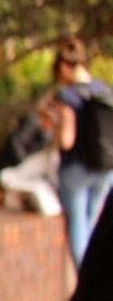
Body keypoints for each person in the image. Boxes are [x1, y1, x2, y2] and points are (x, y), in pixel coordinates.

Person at [40, 37, 113, 266]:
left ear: (64, 67)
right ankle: (92, 278)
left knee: (78, 228)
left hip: (76, 170)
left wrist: (52, 125)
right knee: (92, 224)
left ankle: (83, 279)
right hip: (104, 167)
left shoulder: (68, 96)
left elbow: (66, 141)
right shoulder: (104, 90)